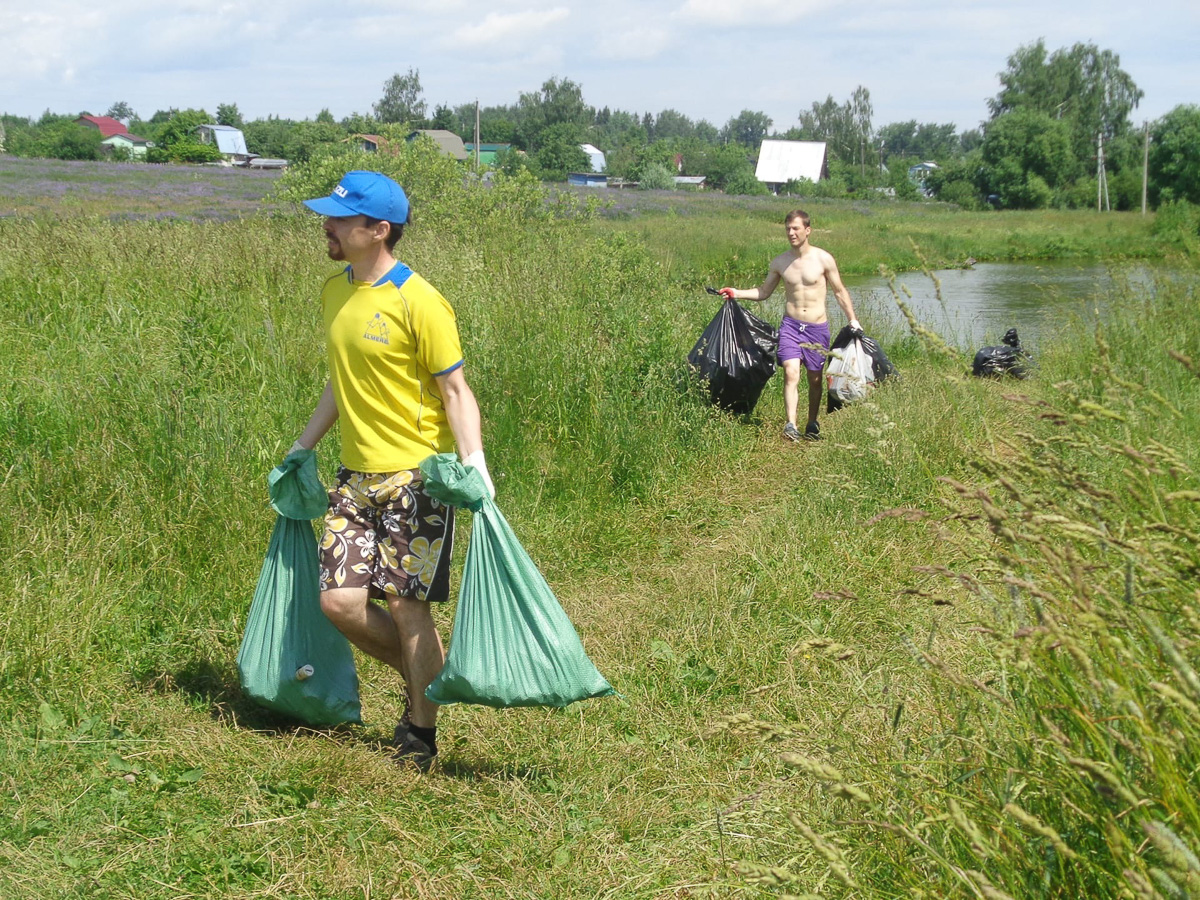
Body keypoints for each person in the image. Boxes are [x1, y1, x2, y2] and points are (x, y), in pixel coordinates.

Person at [287, 170, 494, 771]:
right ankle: (431, 673)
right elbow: (343, 381)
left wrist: (474, 465)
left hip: (417, 481)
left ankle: (420, 732)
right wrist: (303, 447)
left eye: (339, 218)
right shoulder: (335, 290)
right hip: (354, 478)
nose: (326, 224)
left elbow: (455, 389)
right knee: (339, 604)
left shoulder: (419, 300)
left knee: (408, 609)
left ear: (379, 230)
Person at [719, 209, 862, 442]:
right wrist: (735, 292)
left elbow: (839, 291)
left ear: (807, 230)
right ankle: (791, 425)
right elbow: (764, 292)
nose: (791, 232)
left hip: (817, 328)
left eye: (795, 228)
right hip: (791, 327)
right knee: (791, 372)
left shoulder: (824, 259)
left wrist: (853, 320)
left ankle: (812, 423)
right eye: (787, 228)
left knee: (815, 379)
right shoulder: (780, 262)